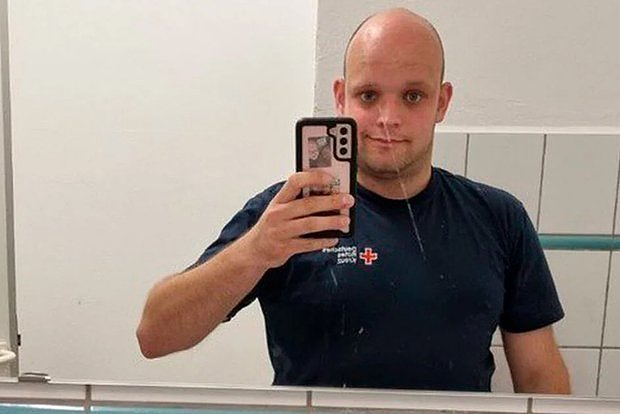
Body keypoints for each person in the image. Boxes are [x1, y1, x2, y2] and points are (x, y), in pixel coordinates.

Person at [137, 7, 570, 393]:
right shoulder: (287, 214)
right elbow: (154, 335)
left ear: (442, 102)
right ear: (341, 97)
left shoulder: (498, 218)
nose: (388, 118)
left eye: (413, 96)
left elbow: (539, 376)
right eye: (368, 96)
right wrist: (255, 251)